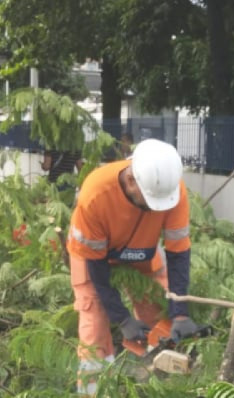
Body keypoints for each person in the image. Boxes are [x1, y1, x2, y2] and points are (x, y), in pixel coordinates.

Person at [66, 138, 201, 394]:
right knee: (94, 323)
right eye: (150, 201)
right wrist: (122, 318)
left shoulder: (171, 190)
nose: (155, 207)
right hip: (92, 257)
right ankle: (94, 390)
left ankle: (163, 383)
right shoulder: (96, 193)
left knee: (159, 311)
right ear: (131, 181)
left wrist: (180, 311)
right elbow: (97, 271)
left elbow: (179, 253)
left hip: (143, 251)